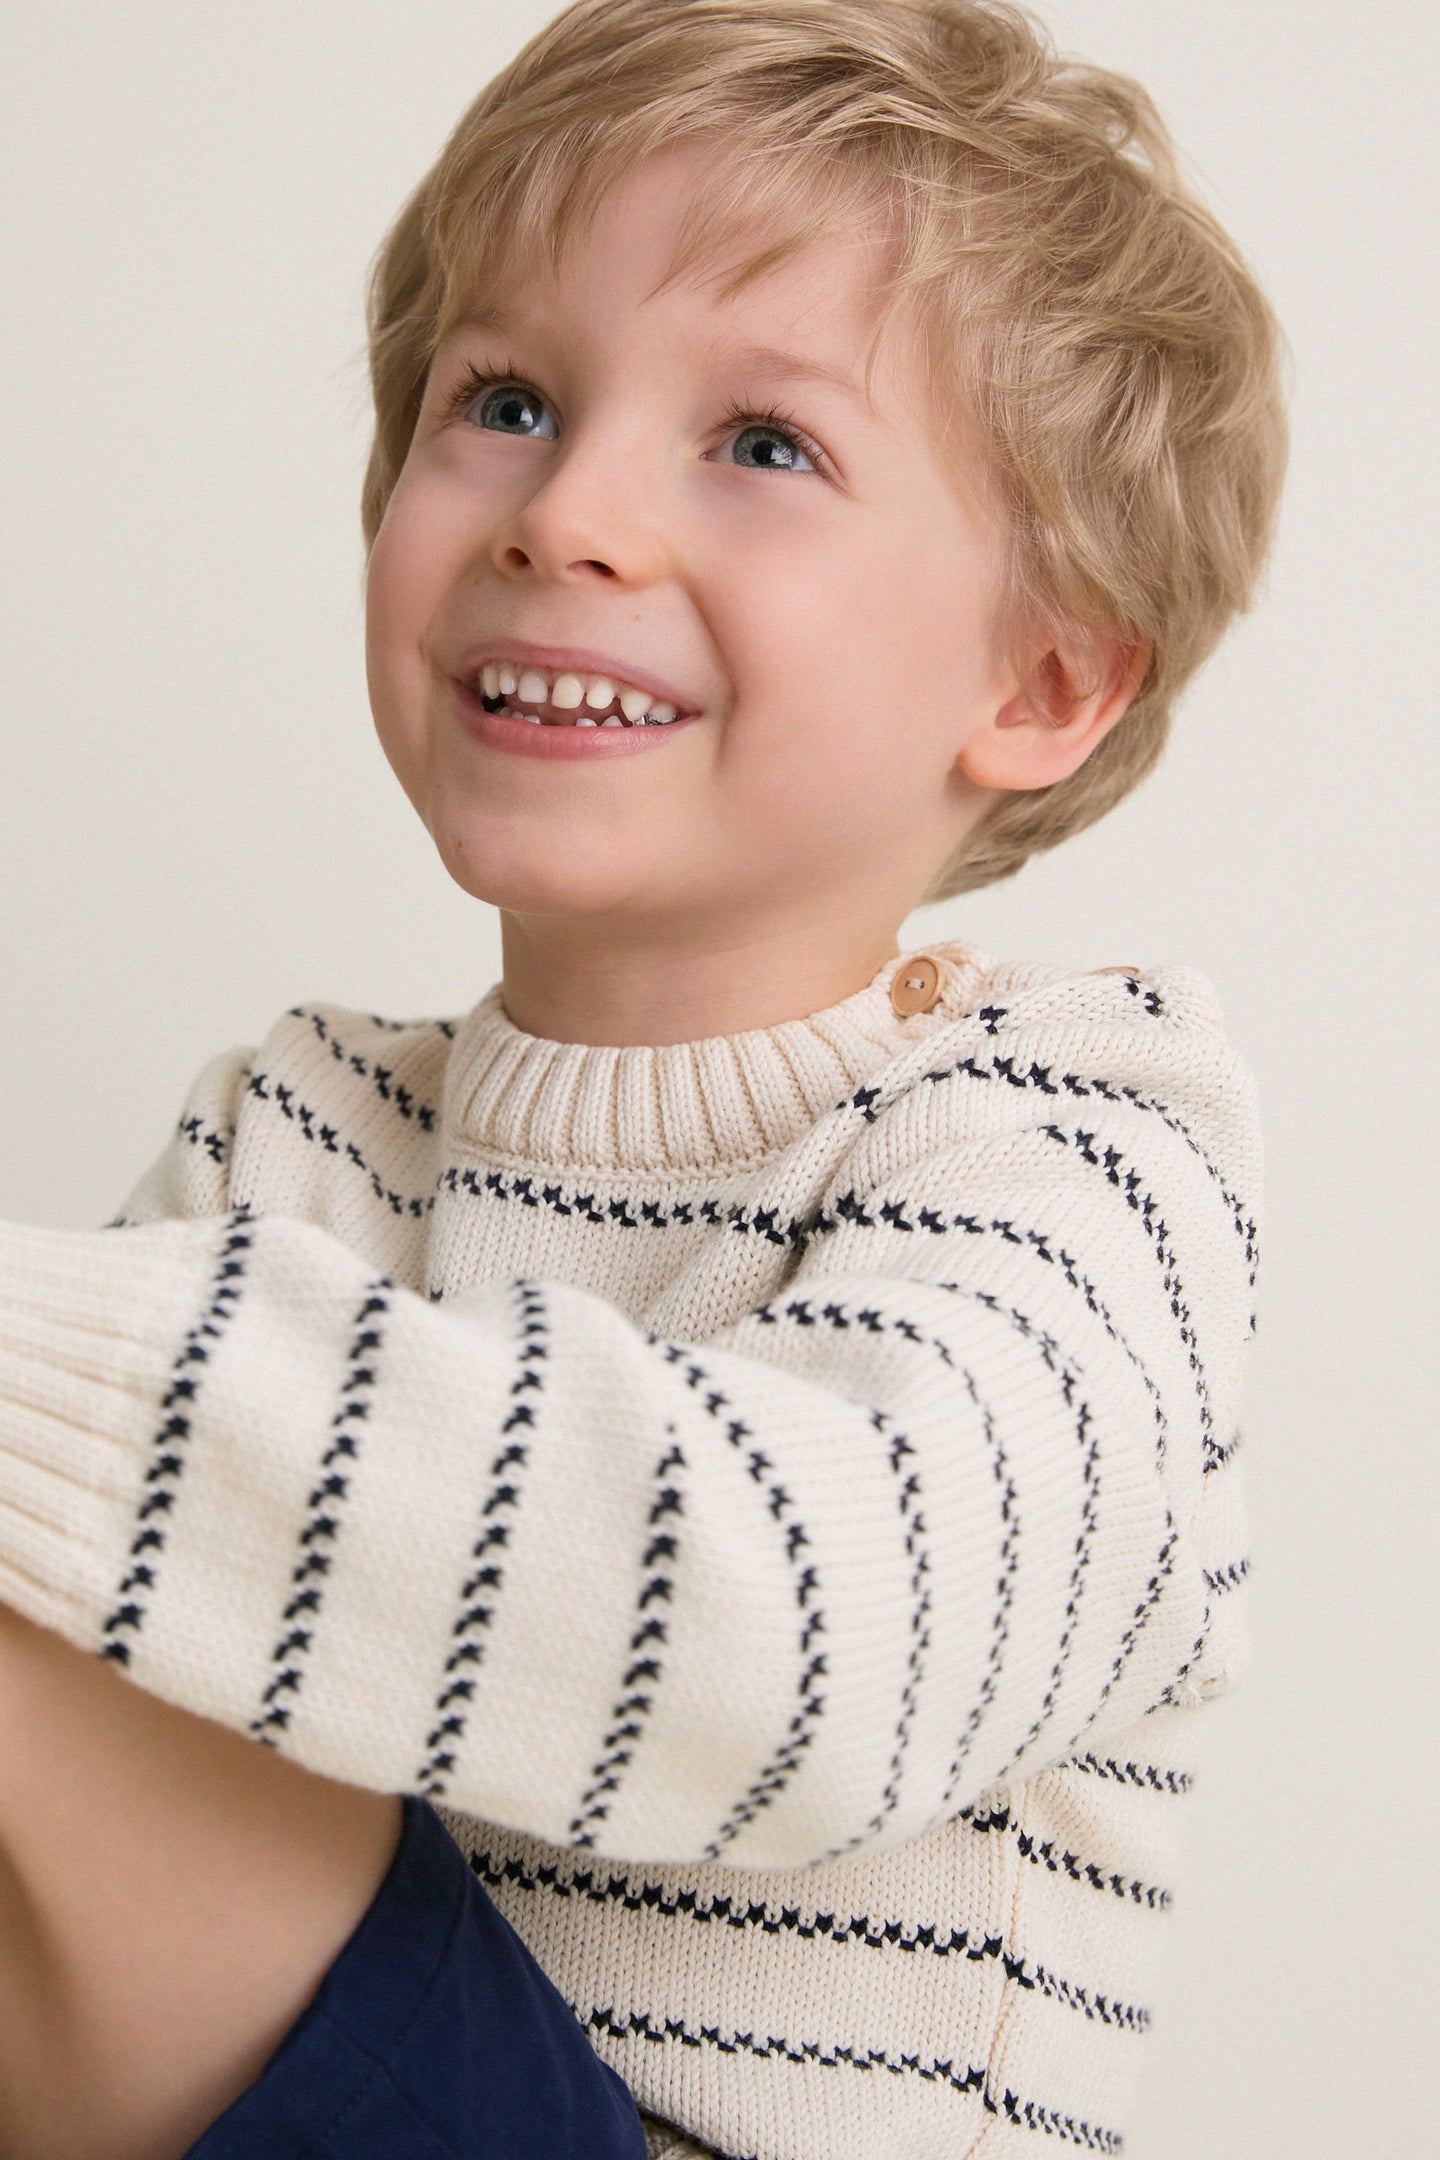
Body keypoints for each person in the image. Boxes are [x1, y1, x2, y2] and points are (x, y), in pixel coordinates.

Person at [0, 1, 1285, 2154]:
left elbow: (803, 1654)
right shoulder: (298, 1128)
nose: (568, 512)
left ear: (1047, 674)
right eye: (504, 402)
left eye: (763, 444)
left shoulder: (1076, 1147)